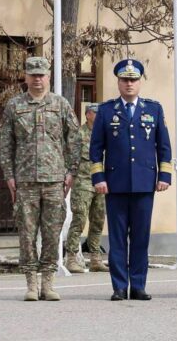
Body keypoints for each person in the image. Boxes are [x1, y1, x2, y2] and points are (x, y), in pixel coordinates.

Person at [89, 59, 172, 301]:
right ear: (118, 82)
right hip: (115, 184)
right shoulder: (106, 111)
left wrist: (164, 175)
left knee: (140, 238)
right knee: (117, 239)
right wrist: (99, 177)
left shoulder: (153, 109)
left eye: (133, 80)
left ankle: (138, 286)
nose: (129, 84)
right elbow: (96, 149)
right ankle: (118, 286)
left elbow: (163, 146)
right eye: (125, 80)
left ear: (139, 82)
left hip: (145, 183)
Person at [0, 56, 81, 301]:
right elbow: (6, 144)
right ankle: (31, 284)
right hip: (25, 182)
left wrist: (71, 172)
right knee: (26, 235)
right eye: (33, 74)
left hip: (55, 181)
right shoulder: (14, 106)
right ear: (26, 77)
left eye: (41, 74)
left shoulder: (60, 104)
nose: (37, 79)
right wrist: (9, 176)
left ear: (48, 76)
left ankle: (48, 283)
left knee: (52, 234)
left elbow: (74, 139)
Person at [65, 103, 109, 274]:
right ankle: (71, 258)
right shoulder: (79, 134)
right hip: (83, 183)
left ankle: (95, 259)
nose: (99, 116)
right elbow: (71, 158)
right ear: (88, 114)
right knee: (79, 220)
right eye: (95, 113)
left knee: (98, 221)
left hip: (100, 183)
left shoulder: (105, 134)